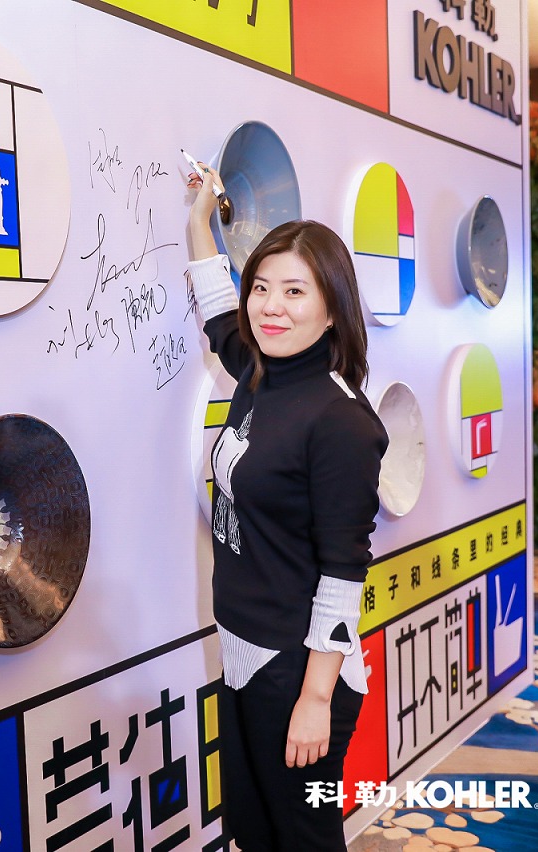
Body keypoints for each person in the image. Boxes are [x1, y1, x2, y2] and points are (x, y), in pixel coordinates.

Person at [184, 164, 388, 851]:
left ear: (332, 308)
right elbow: (220, 314)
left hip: (297, 669)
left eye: (295, 291)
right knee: (253, 831)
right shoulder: (260, 370)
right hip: (243, 648)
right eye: (262, 288)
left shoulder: (341, 421)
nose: (271, 307)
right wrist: (201, 219)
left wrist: (315, 700)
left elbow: (344, 570)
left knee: (302, 841)